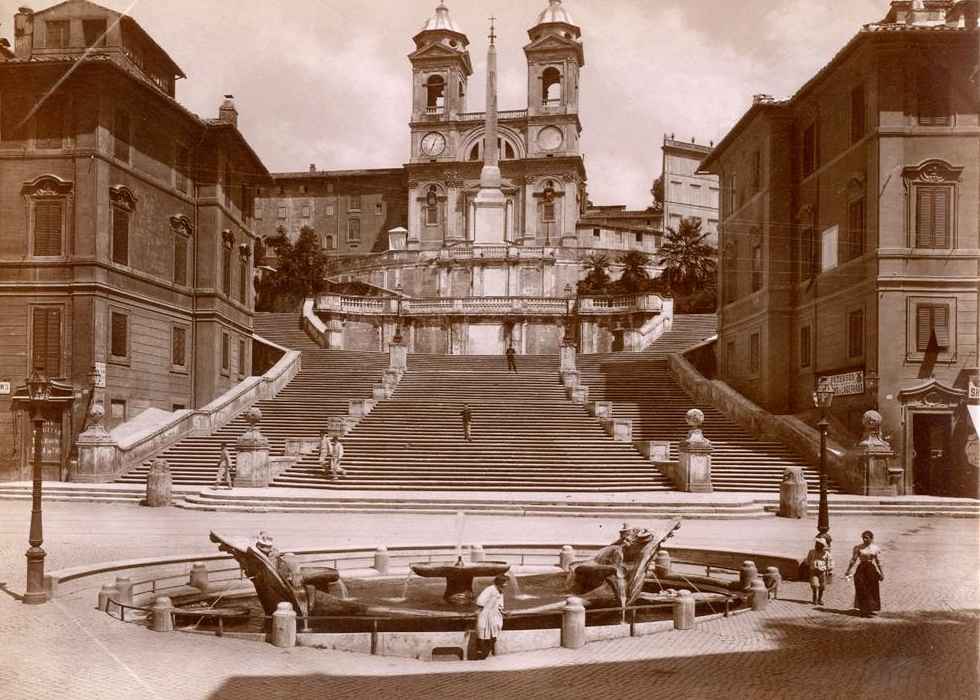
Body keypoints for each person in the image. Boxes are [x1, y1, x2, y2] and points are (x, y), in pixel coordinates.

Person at [844, 530, 884, 617]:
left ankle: (870, 608)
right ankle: (864, 609)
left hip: (871, 570)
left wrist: (881, 573)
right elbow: (853, 560)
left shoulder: (875, 548)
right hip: (861, 570)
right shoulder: (858, 547)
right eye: (863, 538)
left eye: (867, 538)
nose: (865, 539)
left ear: (871, 538)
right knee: (861, 588)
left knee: (872, 589)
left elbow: (878, 561)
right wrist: (848, 570)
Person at [475, 574, 507, 659]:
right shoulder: (489, 589)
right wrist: (479, 610)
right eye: (505, 583)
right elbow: (481, 600)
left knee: (495, 629)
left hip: (494, 614)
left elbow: (500, 604)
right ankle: (480, 653)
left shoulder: (500, 591)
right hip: (485, 613)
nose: (506, 585)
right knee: (482, 631)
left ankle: (488, 651)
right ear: (500, 583)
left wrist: (502, 611)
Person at [803, 537, 833, 605]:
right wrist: (808, 564)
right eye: (817, 544)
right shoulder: (811, 552)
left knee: (822, 586)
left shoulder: (826, 553)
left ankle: (820, 599)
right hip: (813, 571)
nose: (817, 545)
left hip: (822, 572)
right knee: (814, 585)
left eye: (820, 544)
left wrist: (829, 570)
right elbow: (808, 560)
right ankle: (814, 598)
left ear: (822, 545)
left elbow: (829, 562)